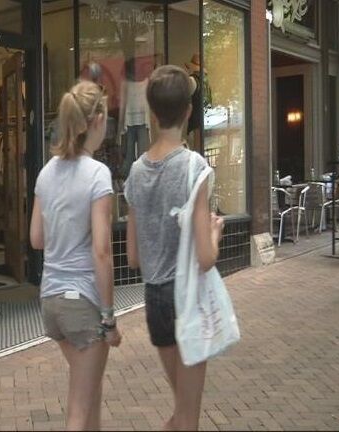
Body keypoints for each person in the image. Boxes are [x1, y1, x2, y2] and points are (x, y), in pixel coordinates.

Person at [124, 65, 224, 431]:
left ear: (151, 113)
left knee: (182, 411)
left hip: (155, 300)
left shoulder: (135, 171)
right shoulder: (194, 167)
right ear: (188, 112)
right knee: (188, 417)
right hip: (187, 299)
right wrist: (215, 232)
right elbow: (205, 257)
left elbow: (133, 257)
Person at [30, 80, 122, 431]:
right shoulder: (98, 174)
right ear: (96, 119)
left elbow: (36, 238)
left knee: (89, 396)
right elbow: (101, 251)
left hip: (51, 301)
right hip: (83, 303)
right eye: (107, 117)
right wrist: (110, 318)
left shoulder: (45, 173)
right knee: (79, 413)